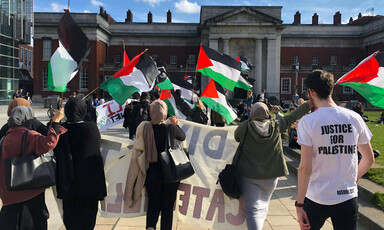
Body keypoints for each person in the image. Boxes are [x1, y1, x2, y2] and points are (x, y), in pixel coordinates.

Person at [296, 70, 375, 230]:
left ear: (311, 92)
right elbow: (369, 158)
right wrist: (354, 178)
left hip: (317, 196)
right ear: (331, 90)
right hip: (347, 195)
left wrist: (299, 204)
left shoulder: (308, 122)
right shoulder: (354, 117)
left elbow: (305, 168)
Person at [234, 100, 312, 230]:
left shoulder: (245, 127)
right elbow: (293, 116)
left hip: (248, 175)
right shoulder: (277, 125)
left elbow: (237, 137)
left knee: (253, 210)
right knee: (263, 205)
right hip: (271, 177)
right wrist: (308, 104)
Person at [0, 106, 66, 230]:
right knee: (34, 223)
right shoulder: (29, 135)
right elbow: (49, 142)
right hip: (29, 191)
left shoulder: (5, 138)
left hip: (9, 193)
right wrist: (56, 122)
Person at [127, 100, 185, 230]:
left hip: (152, 172)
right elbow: (183, 137)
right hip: (170, 174)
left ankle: (150, 227)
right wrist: (175, 124)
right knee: (167, 208)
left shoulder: (145, 128)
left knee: (153, 205)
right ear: (164, 113)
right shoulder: (170, 128)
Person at [56, 97, 107, 230]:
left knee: (70, 218)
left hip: (69, 182)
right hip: (89, 182)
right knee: (88, 219)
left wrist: (56, 120)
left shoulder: (61, 130)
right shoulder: (91, 129)